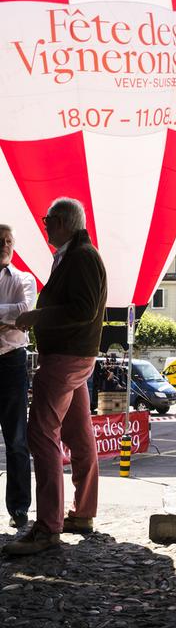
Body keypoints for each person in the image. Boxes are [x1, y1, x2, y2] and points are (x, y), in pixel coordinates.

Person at [3, 198, 107, 556]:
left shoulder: (80, 257)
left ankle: (48, 528)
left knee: (40, 434)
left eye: (48, 220)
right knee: (79, 435)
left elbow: (84, 309)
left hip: (65, 357)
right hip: (75, 356)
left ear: (61, 221)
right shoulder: (77, 255)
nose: (45, 225)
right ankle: (84, 513)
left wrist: (37, 318)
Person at [0, 224, 36, 529]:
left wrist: (15, 317)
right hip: (11, 355)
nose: (4, 245)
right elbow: (16, 315)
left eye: (9, 241)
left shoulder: (24, 278)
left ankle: (20, 508)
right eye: (0, 241)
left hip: (12, 362)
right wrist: (9, 318)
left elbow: (26, 309)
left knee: (16, 439)